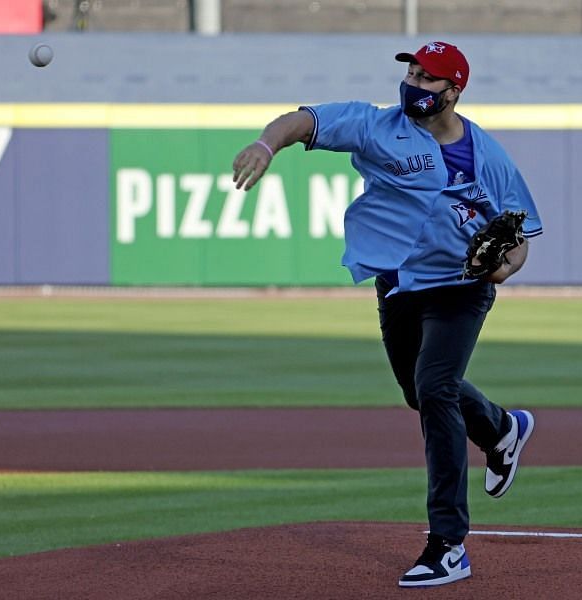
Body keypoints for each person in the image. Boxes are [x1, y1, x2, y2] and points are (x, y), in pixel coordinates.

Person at [232, 41, 542, 588]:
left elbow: (519, 244)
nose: (416, 86)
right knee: (417, 391)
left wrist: (500, 270)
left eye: (429, 79)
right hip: (398, 284)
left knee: (435, 387)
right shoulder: (377, 127)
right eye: (413, 74)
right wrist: (266, 143)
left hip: (459, 288)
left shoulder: (487, 158)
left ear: (455, 91)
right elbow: (302, 120)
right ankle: (501, 429)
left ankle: (448, 545)